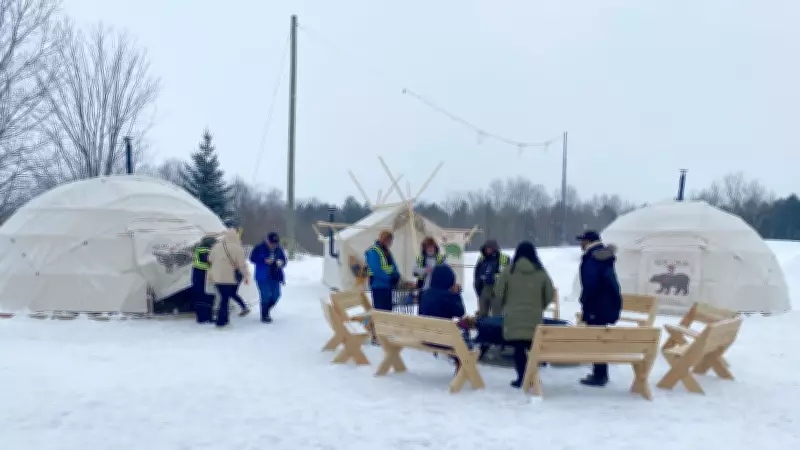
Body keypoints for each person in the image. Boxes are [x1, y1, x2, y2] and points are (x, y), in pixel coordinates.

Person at [494, 241, 556, 388]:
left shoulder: (509, 271)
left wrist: (507, 306)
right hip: (534, 318)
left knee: (519, 349)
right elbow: (549, 293)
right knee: (531, 348)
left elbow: (498, 292)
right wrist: (540, 306)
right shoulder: (541, 272)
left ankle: (521, 377)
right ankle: (532, 377)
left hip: (514, 317)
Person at [576, 230, 623, 387]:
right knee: (600, 338)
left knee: (596, 339)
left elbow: (591, 284)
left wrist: (585, 302)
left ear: (588, 241)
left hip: (596, 306)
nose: (580, 244)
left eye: (582, 241)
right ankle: (600, 372)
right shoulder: (603, 256)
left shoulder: (593, 258)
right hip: (607, 304)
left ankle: (599, 375)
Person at [418, 264, 468, 371]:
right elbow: (460, 312)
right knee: (465, 337)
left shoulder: (425, 294)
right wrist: (456, 294)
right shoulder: (448, 296)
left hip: (426, 337)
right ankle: (462, 365)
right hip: (443, 341)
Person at [208, 223, 252, 328]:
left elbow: (210, 259)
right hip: (229, 278)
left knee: (224, 297)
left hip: (217, 277)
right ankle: (221, 322)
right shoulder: (238, 248)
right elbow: (242, 265)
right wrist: (246, 276)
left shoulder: (217, 246)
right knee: (225, 299)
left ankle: (225, 320)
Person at [249, 232, 287, 323]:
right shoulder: (259, 248)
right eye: (271, 243)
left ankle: (266, 309)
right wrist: (264, 260)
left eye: (275, 243)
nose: (273, 245)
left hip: (275, 275)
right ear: (267, 240)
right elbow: (252, 258)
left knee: (276, 295)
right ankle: (265, 315)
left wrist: (281, 262)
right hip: (262, 276)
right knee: (265, 295)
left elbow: (284, 260)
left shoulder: (279, 249)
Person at [365, 230, 401, 311]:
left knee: (388, 311)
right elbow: (376, 270)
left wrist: (397, 275)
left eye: (391, 240)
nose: (390, 242)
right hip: (378, 287)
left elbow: (393, 266)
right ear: (383, 239)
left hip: (388, 287)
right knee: (381, 311)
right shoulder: (373, 251)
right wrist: (389, 278)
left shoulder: (387, 252)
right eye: (388, 240)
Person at [473, 239, 511, 318]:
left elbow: (508, 277)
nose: (488, 250)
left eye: (490, 248)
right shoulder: (481, 259)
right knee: (482, 316)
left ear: (495, 248)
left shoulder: (504, 258)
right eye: (487, 248)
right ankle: (483, 329)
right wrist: (478, 289)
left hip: (497, 292)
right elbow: (477, 274)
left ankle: (497, 329)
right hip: (484, 290)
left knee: (497, 316)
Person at [191, 235, 218, 323]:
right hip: (203, 276)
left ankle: (202, 317)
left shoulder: (199, 249)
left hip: (198, 275)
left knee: (201, 297)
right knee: (206, 297)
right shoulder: (205, 250)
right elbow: (210, 262)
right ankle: (206, 317)